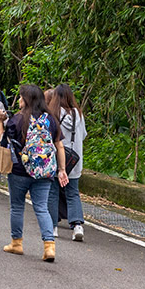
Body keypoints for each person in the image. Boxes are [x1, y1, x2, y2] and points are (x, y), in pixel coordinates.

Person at [1, 84, 68, 262]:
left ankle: (16, 243)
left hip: (19, 172)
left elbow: (3, 144)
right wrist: (61, 170)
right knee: (41, 207)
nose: (20, 101)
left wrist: (0, 122)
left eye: (21, 97)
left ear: (27, 100)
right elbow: (59, 146)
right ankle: (49, 247)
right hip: (44, 172)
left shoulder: (17, 120)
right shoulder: (51, 120)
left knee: (17, 206)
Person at [47, 84, 87, 241]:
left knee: (53, 191)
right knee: (72, 193)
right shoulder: (79, 114)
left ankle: (52, 226)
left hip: (58, 158)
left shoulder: (54, 114)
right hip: (75, 160)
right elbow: (83, 135)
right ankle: (77, 225)